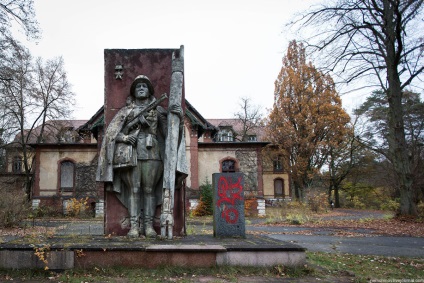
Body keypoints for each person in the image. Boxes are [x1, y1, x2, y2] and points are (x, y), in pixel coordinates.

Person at [96, 75, 186, 238]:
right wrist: (124, 137)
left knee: (149, 190)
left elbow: (169, 135)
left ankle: (149, 226)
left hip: (153, 153)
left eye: (145, 85)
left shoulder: (157, 110)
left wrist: (178, 120)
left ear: (150, 90)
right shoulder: (126, 111)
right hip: (131, 154)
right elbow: (111, 134)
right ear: (133, 91)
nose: (141, 88)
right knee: (134, 190)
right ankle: (134, 227)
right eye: (138, 86)